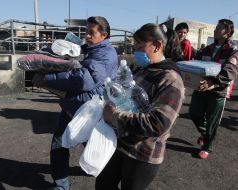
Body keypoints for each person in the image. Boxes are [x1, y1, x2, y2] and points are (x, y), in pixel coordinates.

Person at [96, 23, 185, 190]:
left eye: (140, 45)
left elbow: (158, 123)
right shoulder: (142, 69)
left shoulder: (170, 79)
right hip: (120, 144)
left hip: (142, 154)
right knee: (103, 184)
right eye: (134, 44)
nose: (135, 49)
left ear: (157, 45)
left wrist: (114, 117)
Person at [34, 16, 118, 190]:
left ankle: (108, 179)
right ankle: (61, 184)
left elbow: (83, 79)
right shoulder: (87, 49)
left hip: (89, 111)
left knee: (96, 149)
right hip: (71, 106)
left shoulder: (106, 54)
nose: (87, 35)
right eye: (86, 31)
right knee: (59, 145)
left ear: (104, 36)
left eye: (91, 33)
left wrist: (47, 79)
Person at [189, 19, 238, 159]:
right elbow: (194, 63)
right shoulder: (207, 48)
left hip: (218, 91)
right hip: (201, 88)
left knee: (212, 121)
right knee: (194, 113)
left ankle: (207, 146)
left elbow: (230, 71)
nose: (215, 30)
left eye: (219, 27)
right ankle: (206, 135)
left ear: (228, 31)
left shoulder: (233, 51)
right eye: (216, 27)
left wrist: (213, 83)